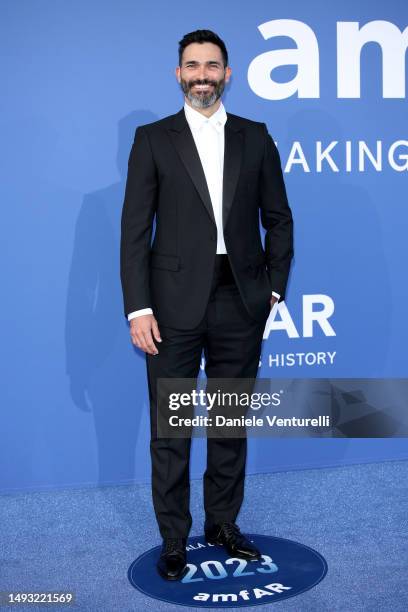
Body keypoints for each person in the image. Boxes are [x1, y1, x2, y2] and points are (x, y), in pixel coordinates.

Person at [120, 29, 293, 580]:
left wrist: (273, 287)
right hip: (170, 306)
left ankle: (222, 523)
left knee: (227, 423)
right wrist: (138, 308)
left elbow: (279, 219)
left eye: (212, 65)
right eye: (192, 65)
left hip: (240, 301)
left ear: (228, 73)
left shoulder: (256, 136)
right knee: (171, 429)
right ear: (178, 74)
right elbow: (133, 231)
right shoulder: (152, 139)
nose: (202, 75)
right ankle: (174, 538)